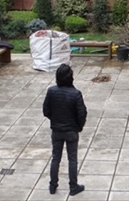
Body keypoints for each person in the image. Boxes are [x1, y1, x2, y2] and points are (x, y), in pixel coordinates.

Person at [43, 64, 87, 196]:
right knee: (72, 159)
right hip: (71, 130)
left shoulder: (51, 91)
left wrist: (55, 120)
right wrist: (79, 126)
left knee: (56, 157)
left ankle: (52, 185)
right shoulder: (76, 94)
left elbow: (46, 111)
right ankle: (73, 186)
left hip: (56, 130)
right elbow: (82, 113)